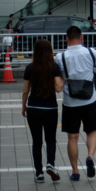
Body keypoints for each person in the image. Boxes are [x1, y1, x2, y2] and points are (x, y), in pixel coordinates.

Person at [58, 26, 96, 181]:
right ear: (81, 38)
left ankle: (75, 171)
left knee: (72, 137)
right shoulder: (91, 52)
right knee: (91, 131)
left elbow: (58, 79)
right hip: (89, 100)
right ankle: (90, 156)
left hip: (70, 102)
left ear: (66, 39)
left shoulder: (60, 57)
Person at [22, 39, 64, 182]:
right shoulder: (54, 67)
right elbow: (58, 88)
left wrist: (24, 106)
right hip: (50, 108)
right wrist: (63, 79)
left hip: (33, 108)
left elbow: (25, 91)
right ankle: (50, 164)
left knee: (37, 141)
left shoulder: (30, 68)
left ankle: (39, 173)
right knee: (51, 139)